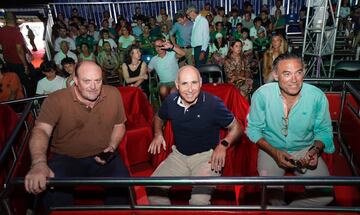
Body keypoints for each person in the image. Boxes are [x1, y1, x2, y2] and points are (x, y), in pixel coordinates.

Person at [24, 61, 129, 212]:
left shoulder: (113, 93)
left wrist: (111, 147)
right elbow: (41, 130)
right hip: (66, 157)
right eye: (87, 81)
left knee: (123, 185)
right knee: (51, 191)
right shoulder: (56, 99)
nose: (93, 87)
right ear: (76, 80)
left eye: (97, 81)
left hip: (104, 153)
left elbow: (119, 125)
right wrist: (39, 163)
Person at [246, 53, 334, 207]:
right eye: (287, 74)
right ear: (275, 75)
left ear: (304, 72)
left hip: (305, 148)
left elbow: (324, 131)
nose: (294, 79)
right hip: (270, 148)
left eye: (298, 72)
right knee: (270, 193)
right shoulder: (262, 95)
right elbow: (253, 130)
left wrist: (315, 150)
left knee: (326, 195)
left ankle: (289, 210)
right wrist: (274, 152)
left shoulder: (317, 96)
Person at [147, 65, 242, 205]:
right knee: (153, 188)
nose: (190, 89)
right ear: (177, 85)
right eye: (185, 83)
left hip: (206, 158)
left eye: (194, 83)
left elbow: (237, 127)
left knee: (198, 202)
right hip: (178, 156)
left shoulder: (213, 104)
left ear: (201, 83)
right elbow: (158, 117)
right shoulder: (171, 101)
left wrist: (223, 144)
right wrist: (158, 134)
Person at [0, 12, 29, 88]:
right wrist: (25, 65)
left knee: (13, 81)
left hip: (7, 60)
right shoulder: (16, 32)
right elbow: (19, 51)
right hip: (18, 62)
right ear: (15, 19)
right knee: (24, 82)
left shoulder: (1, 31)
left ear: (5, 19)